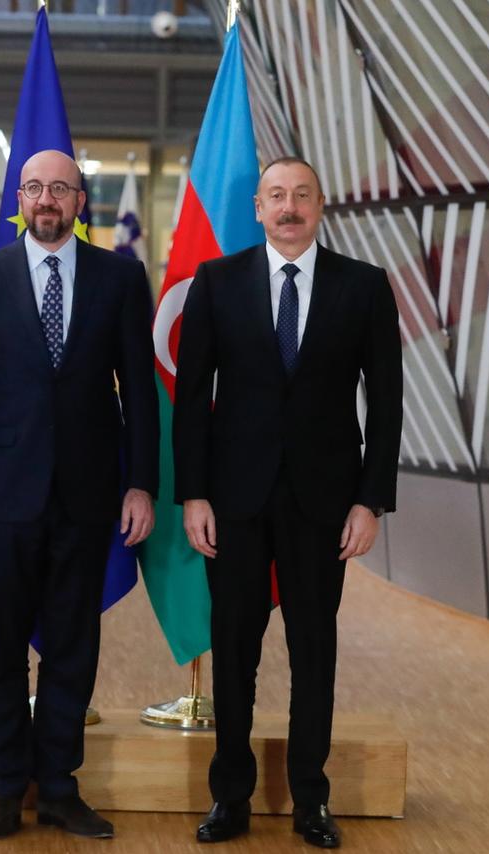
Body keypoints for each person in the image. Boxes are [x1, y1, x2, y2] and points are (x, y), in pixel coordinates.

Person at [173, 157, 402, 848]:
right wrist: (193, 494)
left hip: (324, 504)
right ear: (256, 207)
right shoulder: (215, 283)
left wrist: (371, 502)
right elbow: (191, 400)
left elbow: (387, 404)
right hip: (233, 500)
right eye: (276, 196)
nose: (289, 207)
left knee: (315, 652)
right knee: (235, 652)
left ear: (321, 205)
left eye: (301, 195)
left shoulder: (363, 287)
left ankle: (311, 800)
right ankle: (230, 799)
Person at [0, 149, 159, 840]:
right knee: (1, 648)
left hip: (89, 496)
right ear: (20, 198)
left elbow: (141, 393)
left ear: (79, 201)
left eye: (59, 188)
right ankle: (5, 788)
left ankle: (60, 786)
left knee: (73, 645)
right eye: (34, 187)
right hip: (1, 495)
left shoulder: (120, 277)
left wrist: (141, 483)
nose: (46, 199)